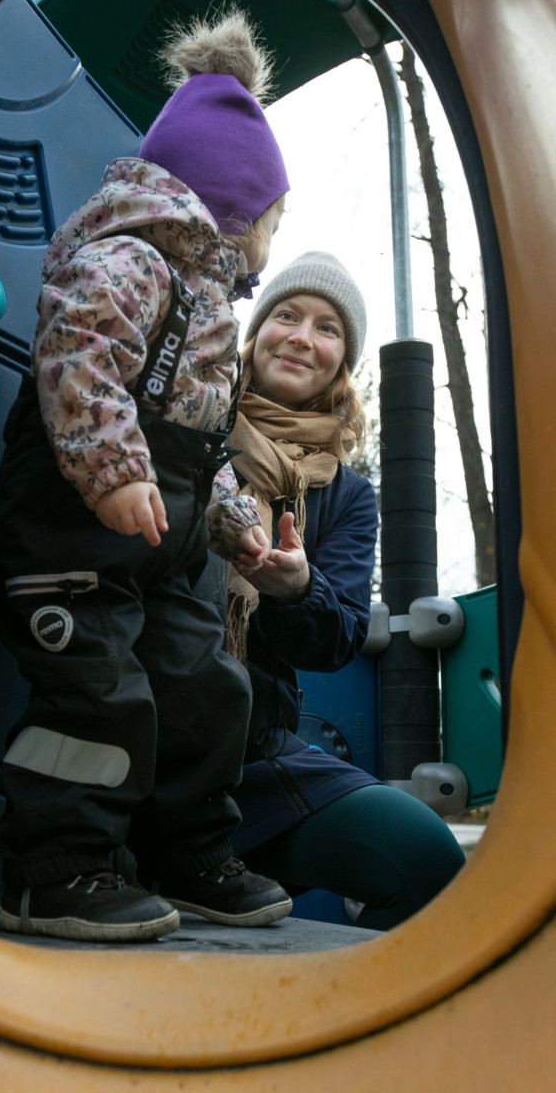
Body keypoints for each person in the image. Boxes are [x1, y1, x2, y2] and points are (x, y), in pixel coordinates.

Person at [0, 7, 294, 943]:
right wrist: (114, 465)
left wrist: (239, 521)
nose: (272, 240)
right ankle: (54, 870)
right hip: (77, 529)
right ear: (235, 213)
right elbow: (76, 351)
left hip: (170, 545)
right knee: (97, 689)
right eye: (276, 221)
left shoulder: (208, 308)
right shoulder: (130, 262)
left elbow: (203, 442)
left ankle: (187, 852)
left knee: (206, 690)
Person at [211, 251, 466, 930]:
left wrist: (298, 589)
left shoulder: (346, 495)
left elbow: (340, 636)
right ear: (255, 331)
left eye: (327, 328)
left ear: (341, 360)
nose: (301, 335)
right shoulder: (193, 424)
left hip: (255, 751)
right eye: (286, 315)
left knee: (422, 857)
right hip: (155, 729)